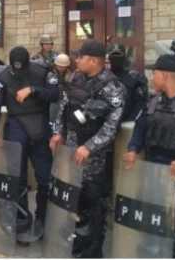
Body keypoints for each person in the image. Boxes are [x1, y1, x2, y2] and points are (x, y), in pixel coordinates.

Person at [124, 54, 175, 258]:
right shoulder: (152, 102)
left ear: (165, 75)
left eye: (154, 74)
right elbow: (140, 129)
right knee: (153, 224)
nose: (152, 78)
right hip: (153, 175)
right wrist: (133, 149)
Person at [50, 39, 126, 258]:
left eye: (80, 57)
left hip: (94, 158)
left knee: (94, 204)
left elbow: (112, 126)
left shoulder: (113, 87)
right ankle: (79, 242)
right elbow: (64, 106)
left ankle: (93, 250)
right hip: (72, 150)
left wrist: (89, 147)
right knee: (77, 200)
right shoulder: (76, 77)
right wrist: (58, 132)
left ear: (93, 61)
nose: (77, 60)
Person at [0, 46, 60, 241]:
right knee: (16, 179)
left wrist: (33, 90)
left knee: (44, 179)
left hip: (39, 128)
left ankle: (43, 219)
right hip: (16, 127)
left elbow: (55, 94)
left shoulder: (42, 72)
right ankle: (21, 221)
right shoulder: (2, 76)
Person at [107, 46, 148, 122]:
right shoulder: (102, 78)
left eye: (118, 58)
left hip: (127, 124)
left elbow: (141, 103)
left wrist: (131, 121)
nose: (116, 61)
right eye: (113, 58)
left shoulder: (135, 78)